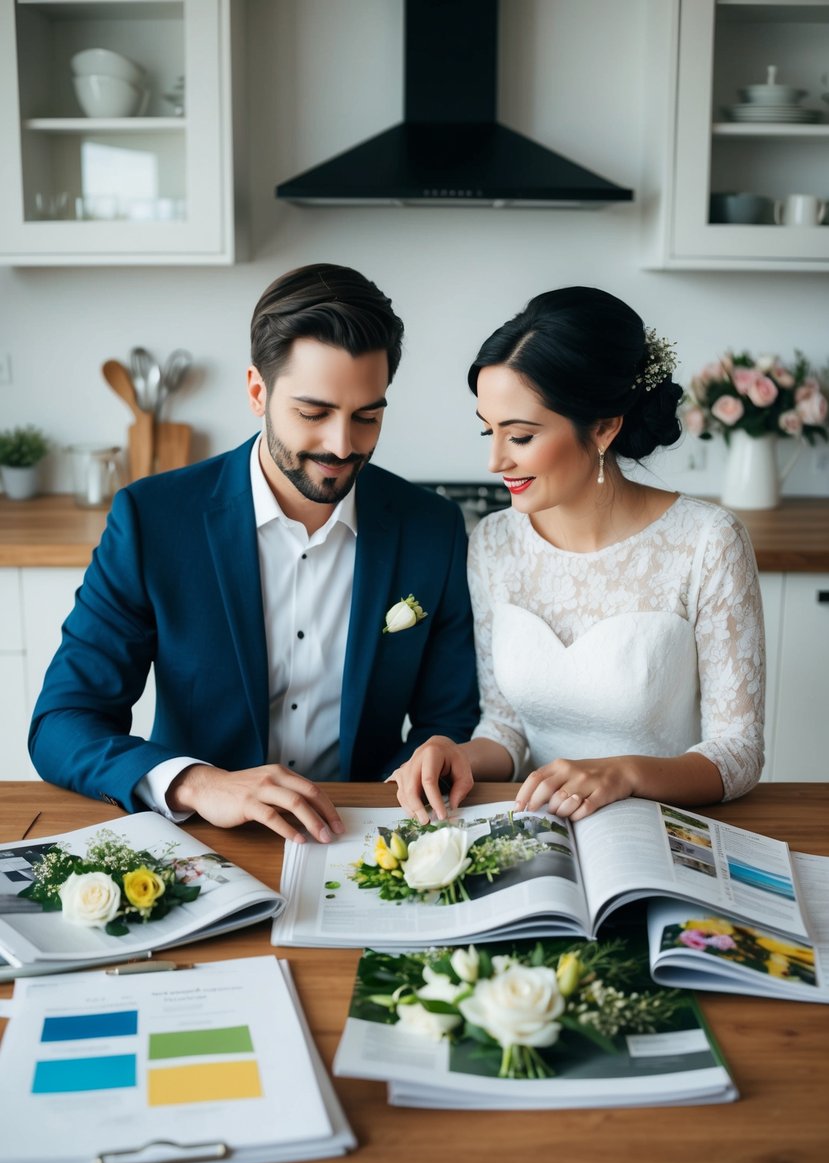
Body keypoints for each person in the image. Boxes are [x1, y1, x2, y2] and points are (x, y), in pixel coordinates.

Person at [29, 264, 478, 844]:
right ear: (257, 391)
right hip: (203, 842)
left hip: (371, 836)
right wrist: (197, 783)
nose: (342, 446)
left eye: (367, 416)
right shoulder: (152, 520)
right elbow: (63, 723)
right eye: (313, 414)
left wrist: (435, 754)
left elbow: (450, 719)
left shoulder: (432, 528)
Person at [391, 285, 765, 824]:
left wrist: (625, 774)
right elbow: (507, 728)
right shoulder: (495, 543)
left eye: (519, 436)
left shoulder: (708, 541)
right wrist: (457, 753)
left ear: (604, 427)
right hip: (538, 828)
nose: (495, 460)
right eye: (487, 430)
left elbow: (739, 752)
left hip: (661, 830)